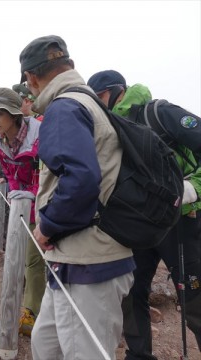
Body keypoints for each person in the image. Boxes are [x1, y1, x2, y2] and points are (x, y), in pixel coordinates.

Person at [20, 35, 135, 359]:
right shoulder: (89, 103)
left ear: (31, 77)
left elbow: (82, 181)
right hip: (78, 259)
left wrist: (47, 227)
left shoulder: (65, 108)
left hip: (88, 264)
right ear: (69, 65)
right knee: (46, 345)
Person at [88, 69, 201, 360]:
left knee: (194, 298)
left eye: (100, 97)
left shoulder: (160, 113)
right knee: (131, 290)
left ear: (117, 91)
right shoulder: (108, 128)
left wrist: (194, 187)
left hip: (182, 219)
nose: (99, 104)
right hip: (140, 224)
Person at [0, 87, 46, 337]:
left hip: (47, 203)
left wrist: (33, 197)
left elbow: (48, 171)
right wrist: (17, 193)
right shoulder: (0, 142)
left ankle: (33, 310)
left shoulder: (40, 133)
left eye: (0, 113)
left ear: (14, 114)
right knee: (28, 256)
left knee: (37, 259)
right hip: (23, 204)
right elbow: (9, 172)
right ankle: (30, 305)